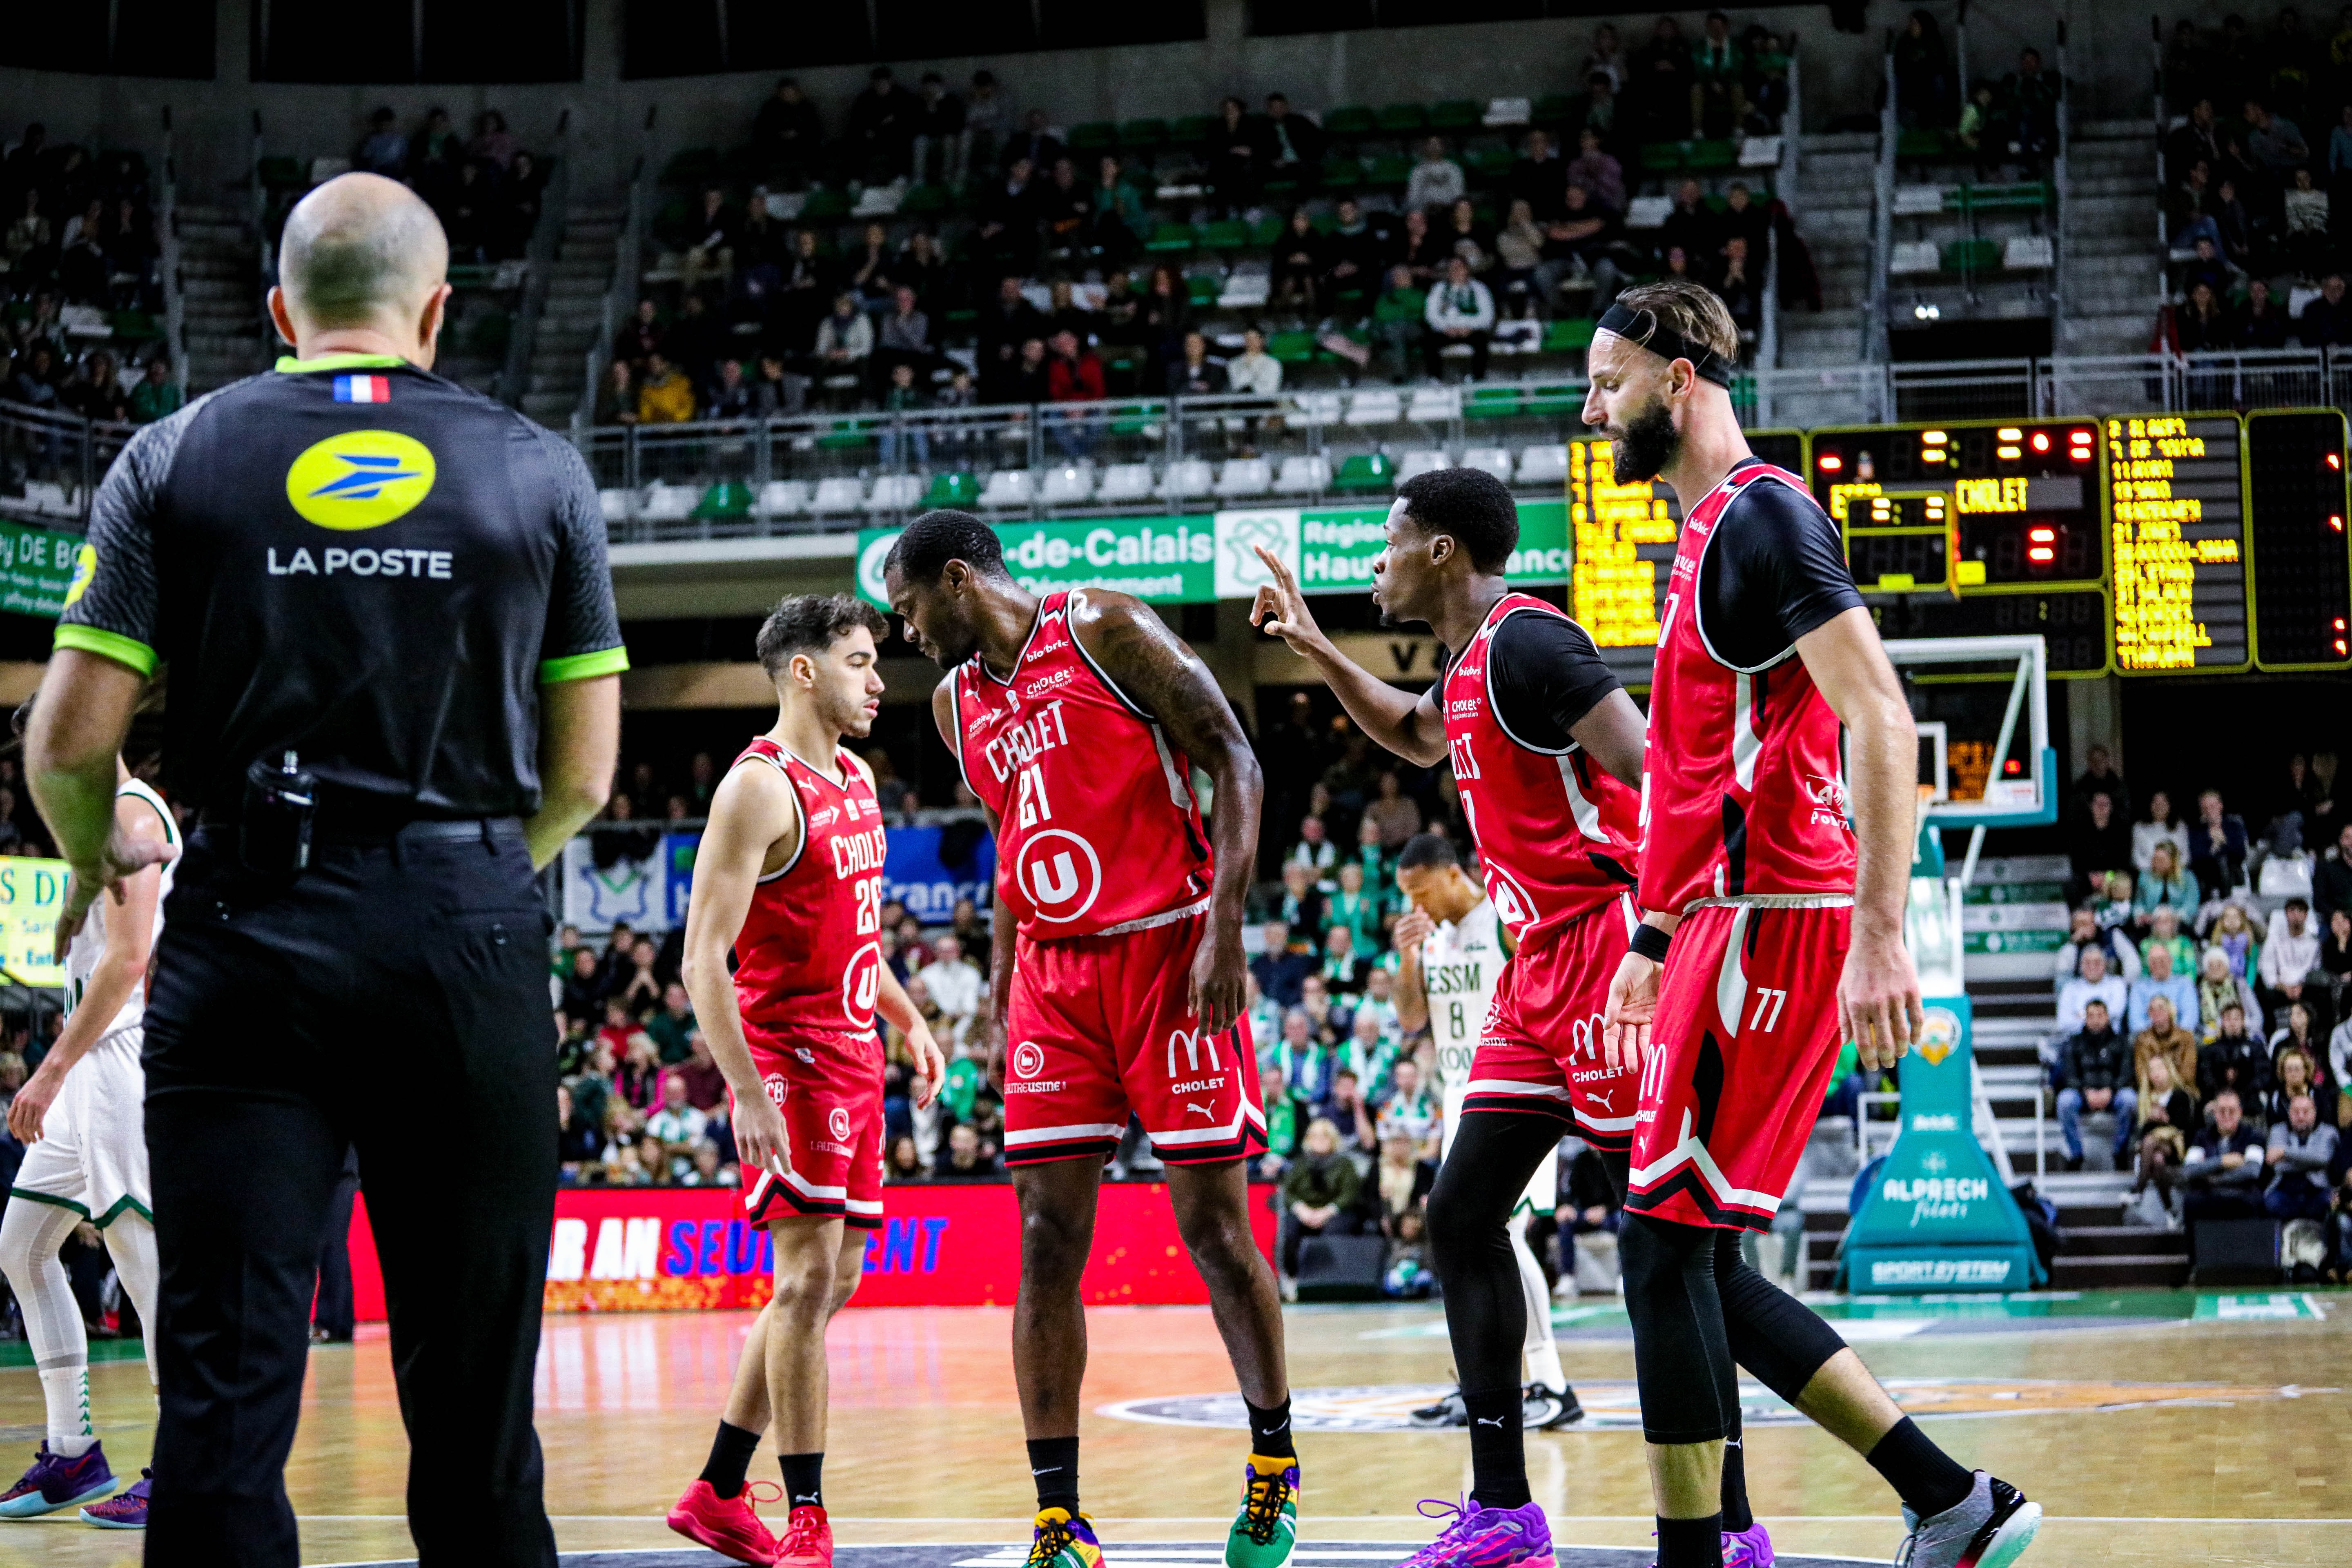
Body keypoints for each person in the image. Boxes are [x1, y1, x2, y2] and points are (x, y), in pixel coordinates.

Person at [27, 172, 627, 1564]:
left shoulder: (174, 456)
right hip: (463, 935)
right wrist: (470, 871)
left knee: (225, 1406)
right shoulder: (542, 469)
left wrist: (83, 849)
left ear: (286, 312)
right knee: (479, 1420)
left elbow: (67, 744)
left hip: (243, 935)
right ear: (434, 311)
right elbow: (587, 774)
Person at [1582, 281, 2041, 1568]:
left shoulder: (1764, 518)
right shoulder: (1700, 536)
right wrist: (1656, 936)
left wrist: (1880, 934)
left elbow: (1881, 714)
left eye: (1609, 379)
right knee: (1698, 1259)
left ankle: (1705, 1554)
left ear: (1678, 379)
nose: (1591, 403)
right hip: (1722, 926)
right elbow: (1695, 774)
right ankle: (1954, 1496)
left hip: (1779, 921)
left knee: (1662, 1246)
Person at [1250, 467, 1760, 1565]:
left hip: (1614, 950)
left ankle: (1731, 1527)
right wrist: (1316, 648)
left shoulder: (1533, 641)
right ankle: (1504, 1510)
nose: (1374, 563)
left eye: (1388, 542)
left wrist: (1663, 937)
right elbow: (1421, 735)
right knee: (1460, 1209)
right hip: (1536, 969)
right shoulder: (1469, 657)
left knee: (1677, 1250)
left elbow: (1657, 769)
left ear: (1440, 551)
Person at [883, 511, 1297, 1568]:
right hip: (1057, 986)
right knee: (1042, 1241)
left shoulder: (1103, 627)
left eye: (908, 607)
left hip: (1170, 953)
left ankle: (1271, 1462)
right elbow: (1017, 842)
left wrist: (1224, 929)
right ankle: (1059, 1521)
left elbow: (1235, 761)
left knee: (1211, 1230)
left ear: (957, 578)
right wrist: (1005, 979)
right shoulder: (951, 706)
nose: (905, 632)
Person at [665, 595, 946, 1568]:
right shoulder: (756, 786)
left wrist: (904, 1017)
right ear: (803, 671)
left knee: (828, 1283)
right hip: (789, 1058)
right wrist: (743, 1087)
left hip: (857, 1053)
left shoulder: (858, 777)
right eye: (862, 661)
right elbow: (703, 956)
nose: (879, 681)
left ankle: (716, 1487)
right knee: (801, 1282)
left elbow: (859, 927)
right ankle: (808, 1511)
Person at [0, 720, 176, 1527]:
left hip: (122, 1062)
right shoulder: (93, 825)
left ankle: (186, 1463)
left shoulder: (134, 818)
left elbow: (130, 957)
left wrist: (48, 1067)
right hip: (88, 1066)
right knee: (22, 1247)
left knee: (144, 1268)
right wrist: (75, 894)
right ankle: (73, 1455)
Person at [1390, 833, 1583, 1432]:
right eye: (1408, 895)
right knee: (1463, 1243)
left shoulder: (1503, 916)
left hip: (1516, 1092)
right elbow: (1410, 1019)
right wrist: (1407, 960)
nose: (1417, 903)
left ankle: (1552, 1385)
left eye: (1422, 889)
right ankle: (1481, 1385)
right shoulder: (1435, 939)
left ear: (1453, 874)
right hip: (1459, 1098)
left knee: (1504, 1235)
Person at [2054, 1000, 2136, 1171]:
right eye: (2091, 1016)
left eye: (2100, 1016)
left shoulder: (2122, 1042)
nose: (2096, 1020)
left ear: (2107, 1017)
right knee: (2065, 1101)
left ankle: (2120, 1153)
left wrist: (2111, 1091)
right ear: (2085, 1019)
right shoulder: (2074, 1043)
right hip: (2083, 1095)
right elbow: (2069, 1075)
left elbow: (2127, 1073)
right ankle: (2076, 1155)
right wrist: (2086, 1093)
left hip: (2113, 1094)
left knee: (2129, 1100)